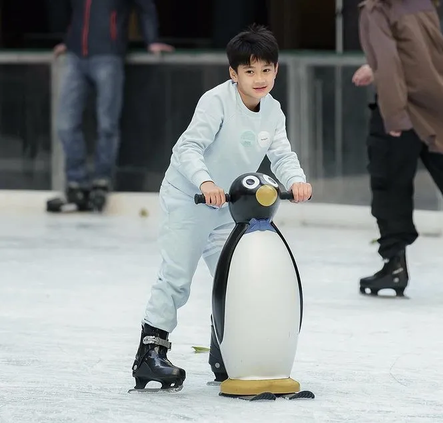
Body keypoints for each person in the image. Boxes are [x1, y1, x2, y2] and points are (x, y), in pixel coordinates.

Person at [131, 25, 313, 391]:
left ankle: (225, 354)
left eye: (266, 70)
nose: (259, 79)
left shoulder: (273, 111)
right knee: (177, 277)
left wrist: (296, 180)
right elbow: (186, 149)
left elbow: (281, 153)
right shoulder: (216, 102)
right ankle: (150, 354)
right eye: (249, 71)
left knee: (234, 281)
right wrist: (206, 183)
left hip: (226, 208)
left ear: (276, 70)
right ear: (234, 74)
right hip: (190, 198)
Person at [354, 0, 443, 296]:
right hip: (441, 107)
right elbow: (418, 55)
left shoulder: (376, 9)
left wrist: (394, 114)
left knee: (389, 188)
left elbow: (389, 61)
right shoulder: (422, 2)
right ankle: (394, 266)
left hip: (404, 109)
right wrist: (375, 68)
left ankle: (394, 266)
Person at [46, 0, 174, 213]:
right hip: (75, 56)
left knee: (107, 125)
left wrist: (151, 40)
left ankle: (101, 181)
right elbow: (74, 13)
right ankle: (76, 183)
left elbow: (145, 6)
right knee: (65, 124)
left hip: (108, 54)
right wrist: (69, 40)